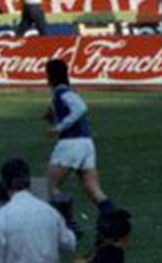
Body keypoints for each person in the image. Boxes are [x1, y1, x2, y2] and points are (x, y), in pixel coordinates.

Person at [44, 58, 115, 229]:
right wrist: (53, 119)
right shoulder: (66, 91)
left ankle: (70, 226)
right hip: (85, 143)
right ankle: (115, 221)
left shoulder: (61, 92)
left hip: (71, 144)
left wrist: (59, 127)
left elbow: (80, 108)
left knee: (47, 187)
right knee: (93, 188)